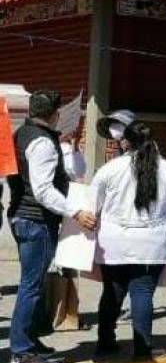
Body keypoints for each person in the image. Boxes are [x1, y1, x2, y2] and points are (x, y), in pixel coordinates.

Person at [6, 90, 96, 363]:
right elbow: (44, 190)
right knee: (31, 287)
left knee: (34, 284)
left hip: (25, 217)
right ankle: (20, 352)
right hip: (36, 221)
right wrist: (76, 211)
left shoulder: (23, 134)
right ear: (55, 114)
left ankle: (30, 341)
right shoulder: (42, 143)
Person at [92, 122, 166, 360]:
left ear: (126, 142)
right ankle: (142, 347)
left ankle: (105, 342)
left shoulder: (110, 169)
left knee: (112, 293)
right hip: (151, 243)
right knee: (142, 293)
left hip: (113, 243)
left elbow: (92, 203)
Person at [50, 131, 90, 331]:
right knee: (58, 265)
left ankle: (68, 313)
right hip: (58, 210)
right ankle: (56, 313)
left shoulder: (70, 150)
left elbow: (80, 170)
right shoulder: (51, 149)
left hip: (71, 209)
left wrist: (75, 147)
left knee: (70, 265)